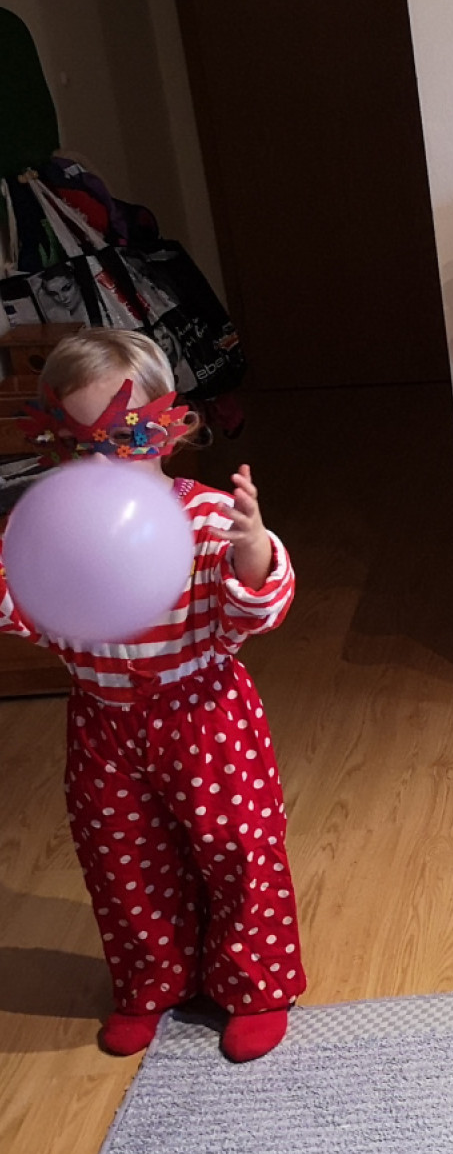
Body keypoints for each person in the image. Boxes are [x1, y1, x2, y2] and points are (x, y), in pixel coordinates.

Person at [1, 330, 303, 1062]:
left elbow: (255, 608)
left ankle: (255, 985)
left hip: (202, 716)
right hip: (103, 723)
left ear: (169, 429)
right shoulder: (50, 527)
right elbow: (24, 609)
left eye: (126, 437)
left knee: (237, 849)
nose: (105, 462)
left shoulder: (203, 516)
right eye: (80, 445)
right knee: (122, 859)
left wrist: (251, 550)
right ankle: (149, 980)